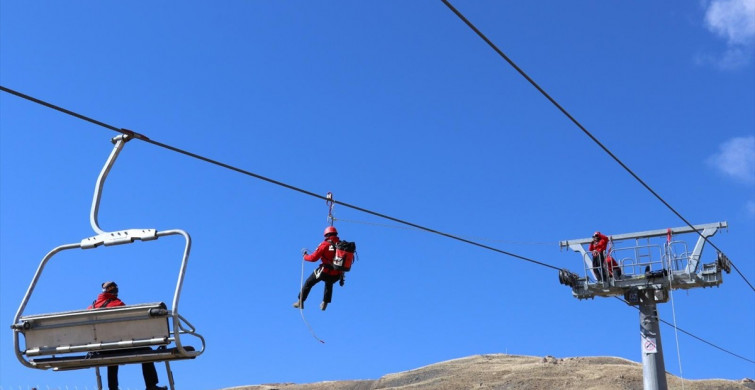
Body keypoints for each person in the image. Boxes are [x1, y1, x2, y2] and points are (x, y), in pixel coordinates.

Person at [88, 281, 168, 390]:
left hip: (99, 349)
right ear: (115, 291)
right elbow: (129, 327)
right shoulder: (117, 304)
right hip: (115, 346)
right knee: (146, 350)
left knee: (110, 353)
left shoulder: (91, 308)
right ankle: (151, 385)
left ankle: (113, 388)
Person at [293, 226, 345, 311]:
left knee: (309, 282)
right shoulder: (342, 245)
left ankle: (300, 301)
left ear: (327, 235)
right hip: (337, 274)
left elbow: (313, 258)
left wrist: (305, 256)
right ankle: (325, 302)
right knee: (329, 283)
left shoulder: (324, 245)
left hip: (324, 271)